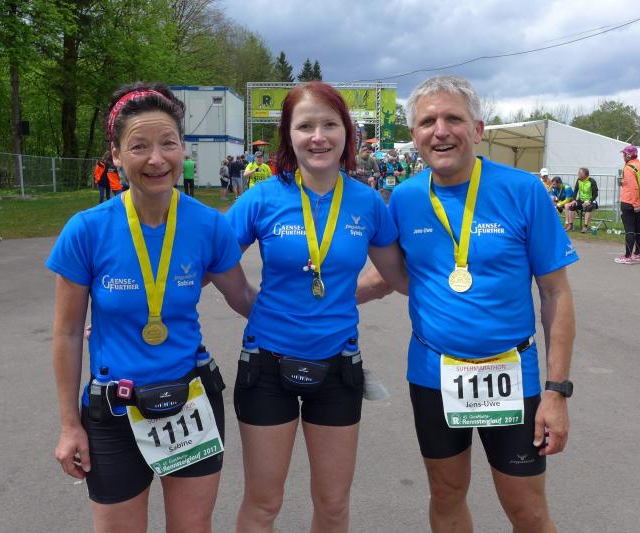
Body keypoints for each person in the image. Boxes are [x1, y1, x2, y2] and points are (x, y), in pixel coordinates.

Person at [360, 75, 577, 532]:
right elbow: (388, 276)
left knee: (527, 510)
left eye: (453, 118)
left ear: (477, 129)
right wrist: (307, 299)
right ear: (415, 135)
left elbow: (555, 293)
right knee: (445, 494)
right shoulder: (404, 198)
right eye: (427, 122)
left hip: (511, 374)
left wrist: (556, 392)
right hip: (433, 375)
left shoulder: (524, 191)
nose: (440, 131)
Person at [48, 82, 256, 532]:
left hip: (189, 400)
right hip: (114, 409)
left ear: (184, 149)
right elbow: (67, 333)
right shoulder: (86, 230)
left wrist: (311, 316)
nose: (156, 159)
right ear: (116, 155)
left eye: (168, 143)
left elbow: (244, 298)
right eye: (139, 146)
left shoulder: (208, 225)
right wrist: (69, 426)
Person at [225, 81, 405, 533]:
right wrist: (130, 314)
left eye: (330, 125)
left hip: (338, 367)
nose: (318, 136)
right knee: (264, 504)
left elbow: (396, 276)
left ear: (347, 133)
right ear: (289, 136)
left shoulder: (367, 202)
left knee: (333, 504)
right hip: (267, 366)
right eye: (305, 126)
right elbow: (206, 263)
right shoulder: (262, 198)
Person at [616, 145, 640, 264]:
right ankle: (637, 254)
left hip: (630, 201)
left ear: (628, 155)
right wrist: (624, 182)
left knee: (629, 229)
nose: (623, 156)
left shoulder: (629, 168)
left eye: (624, 154)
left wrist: (635, 204)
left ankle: (627, 256)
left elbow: (634, 187)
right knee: (638, 228)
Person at [566, 167, 599, 233]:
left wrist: (589, 201)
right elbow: (575, 190)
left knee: (589, 207)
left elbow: (595, 194)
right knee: (572, 205)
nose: (578, 174)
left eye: (579, 173)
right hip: (581, 200)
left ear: (585, 174)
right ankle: (570, 225)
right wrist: (574, 200)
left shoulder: (592, 181)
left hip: (591, 200)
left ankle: (585, 226)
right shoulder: (578, 180)